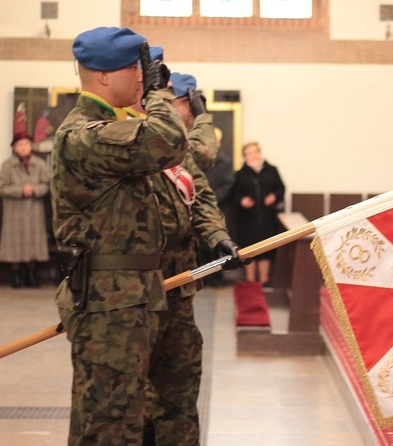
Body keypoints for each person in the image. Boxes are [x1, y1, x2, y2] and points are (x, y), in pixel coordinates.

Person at [50, 26, 189, 445]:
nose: (143, 77)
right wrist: (160, 96)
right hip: (110, 303)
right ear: (104, 76)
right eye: (135, 68)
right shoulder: (83, 135)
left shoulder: (109, 127)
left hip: (129, 296)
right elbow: (168, 140)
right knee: (111, 426)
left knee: (113, 419)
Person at [142, 71, 244, 446]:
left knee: (180, 384)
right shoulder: (145, 141)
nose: (192, 111)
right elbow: (203, 150)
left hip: (177, 287)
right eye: (191, 103)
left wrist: (218, 237)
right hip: (139, 291)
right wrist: (203, 120)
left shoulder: (175, 149)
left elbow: (199, 195)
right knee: (139, 393)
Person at [0, 132, 50, 288]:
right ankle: (15, 276)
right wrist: (20, 190)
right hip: (14, 210)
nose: (23, 147)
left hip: (34, 210)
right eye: (20, 144)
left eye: (26, 144)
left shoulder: (39, 164)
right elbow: (2, 188)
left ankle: (31, 276)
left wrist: (34, 189)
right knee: (14, 243)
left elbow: (46, 185)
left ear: (31, 146)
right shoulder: (7, 165)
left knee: (33, 242)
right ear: (14, 148)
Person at [232, 141, 285, 286]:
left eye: (255, 152)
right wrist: (242, 200)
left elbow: (281, 188)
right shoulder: (240, 174)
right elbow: (234, 195)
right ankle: (250, 281)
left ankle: (264, 279)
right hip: (248, 219)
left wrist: (274, 196)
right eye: (249, 153)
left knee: (266, 248)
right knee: (250, 248)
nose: (253, 156)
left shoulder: (272, 170)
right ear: (245, 156)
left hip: (267, 217)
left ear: (259, 152)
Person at [201, 127, 235, 288]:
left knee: (218, 242)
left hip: (219, 206)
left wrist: (212, 198)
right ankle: (205, 276)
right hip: (200, 206)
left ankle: (218, 276)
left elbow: (228, 183)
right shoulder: (199, 159)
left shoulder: (225, 161)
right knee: (202, 244)